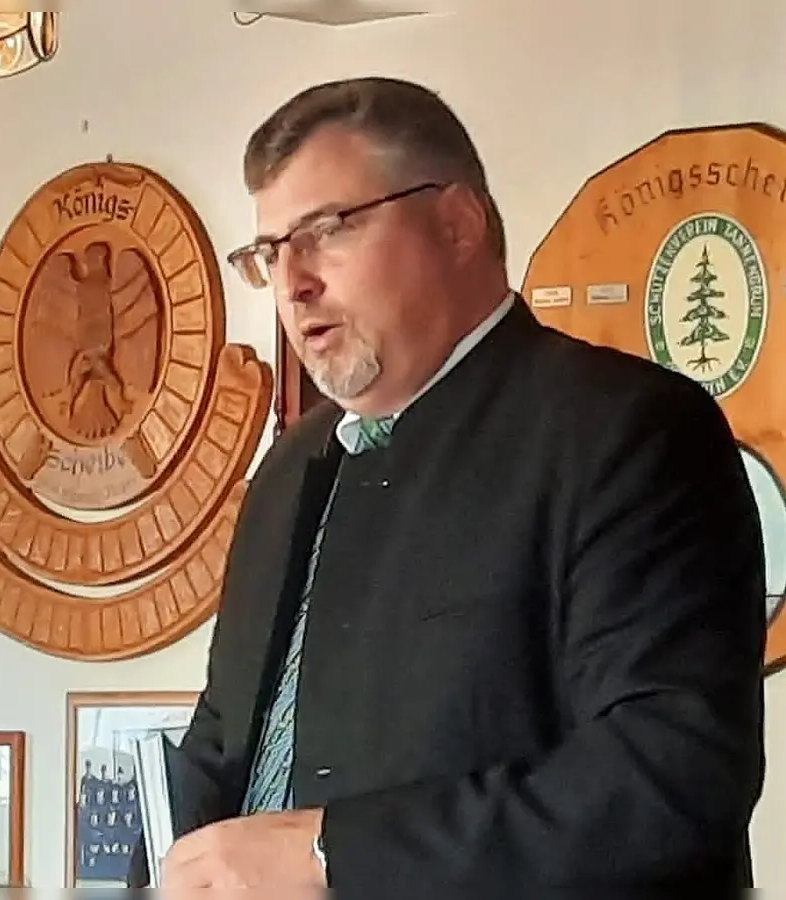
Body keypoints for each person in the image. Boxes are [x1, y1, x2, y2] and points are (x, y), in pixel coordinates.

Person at [130, 77, 766, 894]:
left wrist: (333, 853)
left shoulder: (628, 431)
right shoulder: (287, 472)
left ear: (458, 224)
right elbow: (223, 743)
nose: (293, 283)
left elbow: (666, 778)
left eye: (327, 231)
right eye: (269, 253)